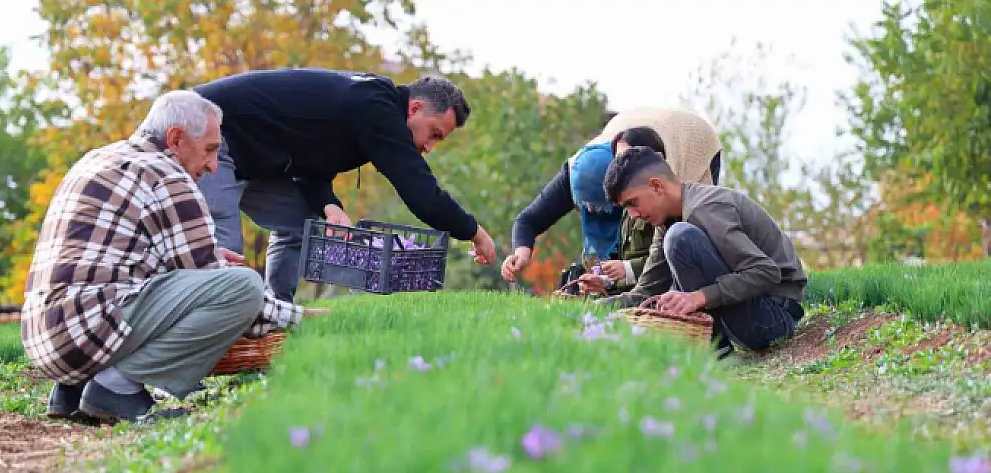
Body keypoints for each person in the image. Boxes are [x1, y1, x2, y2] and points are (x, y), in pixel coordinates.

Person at [21, 90, 320, 424]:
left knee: (202, 283)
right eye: (209, 150)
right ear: (175, 139)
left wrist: (196, 271)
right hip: (84, 331)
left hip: (45, 339)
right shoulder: (168, 175)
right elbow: (243, 303)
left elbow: (107, 262)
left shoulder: (98, 158)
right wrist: (309, 320)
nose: (212, 165)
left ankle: (73, 390)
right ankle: (116, 387)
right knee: (245, 286)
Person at [193, 68, 498, 302]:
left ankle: (275, 316)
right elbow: (421, 193)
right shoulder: (376, 107)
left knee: (306, 223)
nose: (430, 146)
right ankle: (217, 343)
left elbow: (311, 162)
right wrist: (473, 231)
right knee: (224, 246)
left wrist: (330, 206)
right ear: (414, 108)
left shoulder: (370, 106)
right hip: (211, 133)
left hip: (254, 161)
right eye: (434, 133)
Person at [601, 146, 808, 356]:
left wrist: (698, 297)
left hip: (774, 319)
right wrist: (588, 308)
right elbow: (646, 291)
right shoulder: (667, 221)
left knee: (680, 237)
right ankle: (717, 349)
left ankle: (718, 352)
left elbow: (766, 272)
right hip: (748, 317)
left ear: (657, 186)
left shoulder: (705, 208)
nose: (633, 215)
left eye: (632, 203)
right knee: (676, 237)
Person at [501, 107, 723, 294]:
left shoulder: (658, 181)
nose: (598, 214)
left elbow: (666, 256)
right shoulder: (577, 174)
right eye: (589, 209)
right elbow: (528, 220)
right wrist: (521, 254)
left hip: (691, 138)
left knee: (680, 245)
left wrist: (627, 270)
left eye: (613, 208)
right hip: (632, 134)